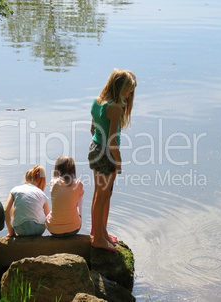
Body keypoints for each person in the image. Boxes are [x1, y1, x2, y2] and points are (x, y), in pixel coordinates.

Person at [88, 68, 137, 251]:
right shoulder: (114, 108)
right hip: (107, 153)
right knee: (102, 197)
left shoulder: (97, 102)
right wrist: (118, 161)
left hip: (95, 149)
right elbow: (112, 140)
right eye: (128, 89)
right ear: (119, 88)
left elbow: (92, 130)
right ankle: (98, 239)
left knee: (100, 195)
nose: (130, 93)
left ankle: (99, 232)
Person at [4, 165, 50, 237]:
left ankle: (16, 225)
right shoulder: (42, 194)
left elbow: (6, 210)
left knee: (15, 203)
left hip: (20, 229)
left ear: (26, 179)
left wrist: (11, 231)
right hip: (38, 229)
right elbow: (48, 216)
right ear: (40, 180)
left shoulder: (15, 190)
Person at [46, 156, 84, 237]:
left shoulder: (53, 183)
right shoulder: (78, 184)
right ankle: (75, 219)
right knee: (80, 196)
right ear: (73, 170)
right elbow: (79, 198)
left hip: (53, 230)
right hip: (73, 229)